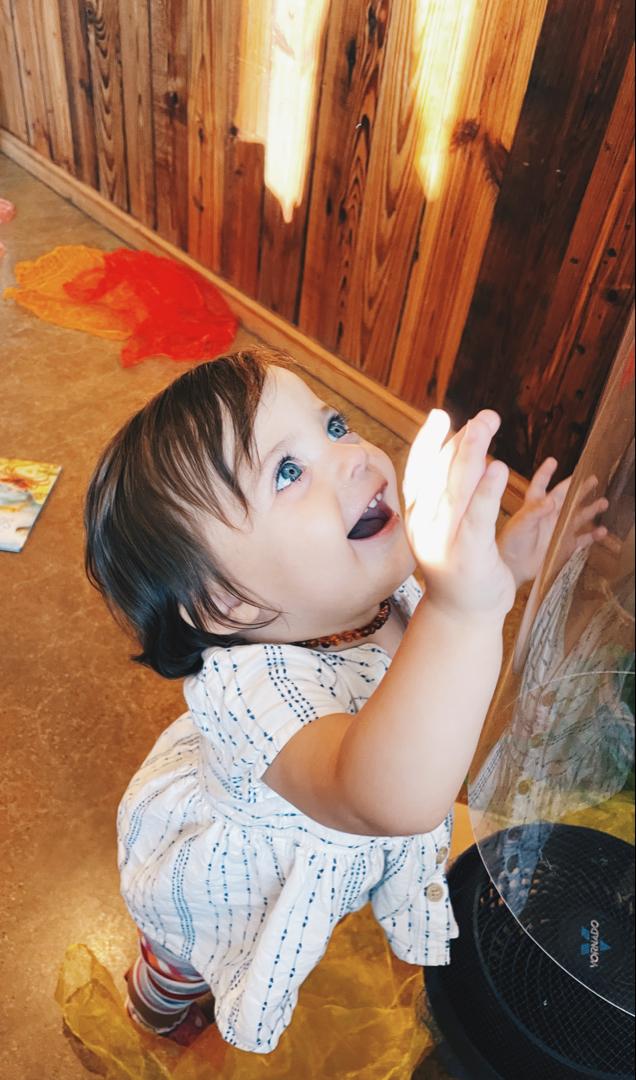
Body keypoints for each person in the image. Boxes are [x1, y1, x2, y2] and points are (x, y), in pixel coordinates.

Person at [84, 345, 605, 1053]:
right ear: (231, 604)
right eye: (288, 473)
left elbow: (424, 654)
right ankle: (156, 1006)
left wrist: (503, 562)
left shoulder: (365, 590)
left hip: (326, 849)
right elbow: (383, 798)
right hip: (235, 880)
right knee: (185, 958)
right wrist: (464, 610)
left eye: (333, 428)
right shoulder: (250, 691)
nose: (355, 458)